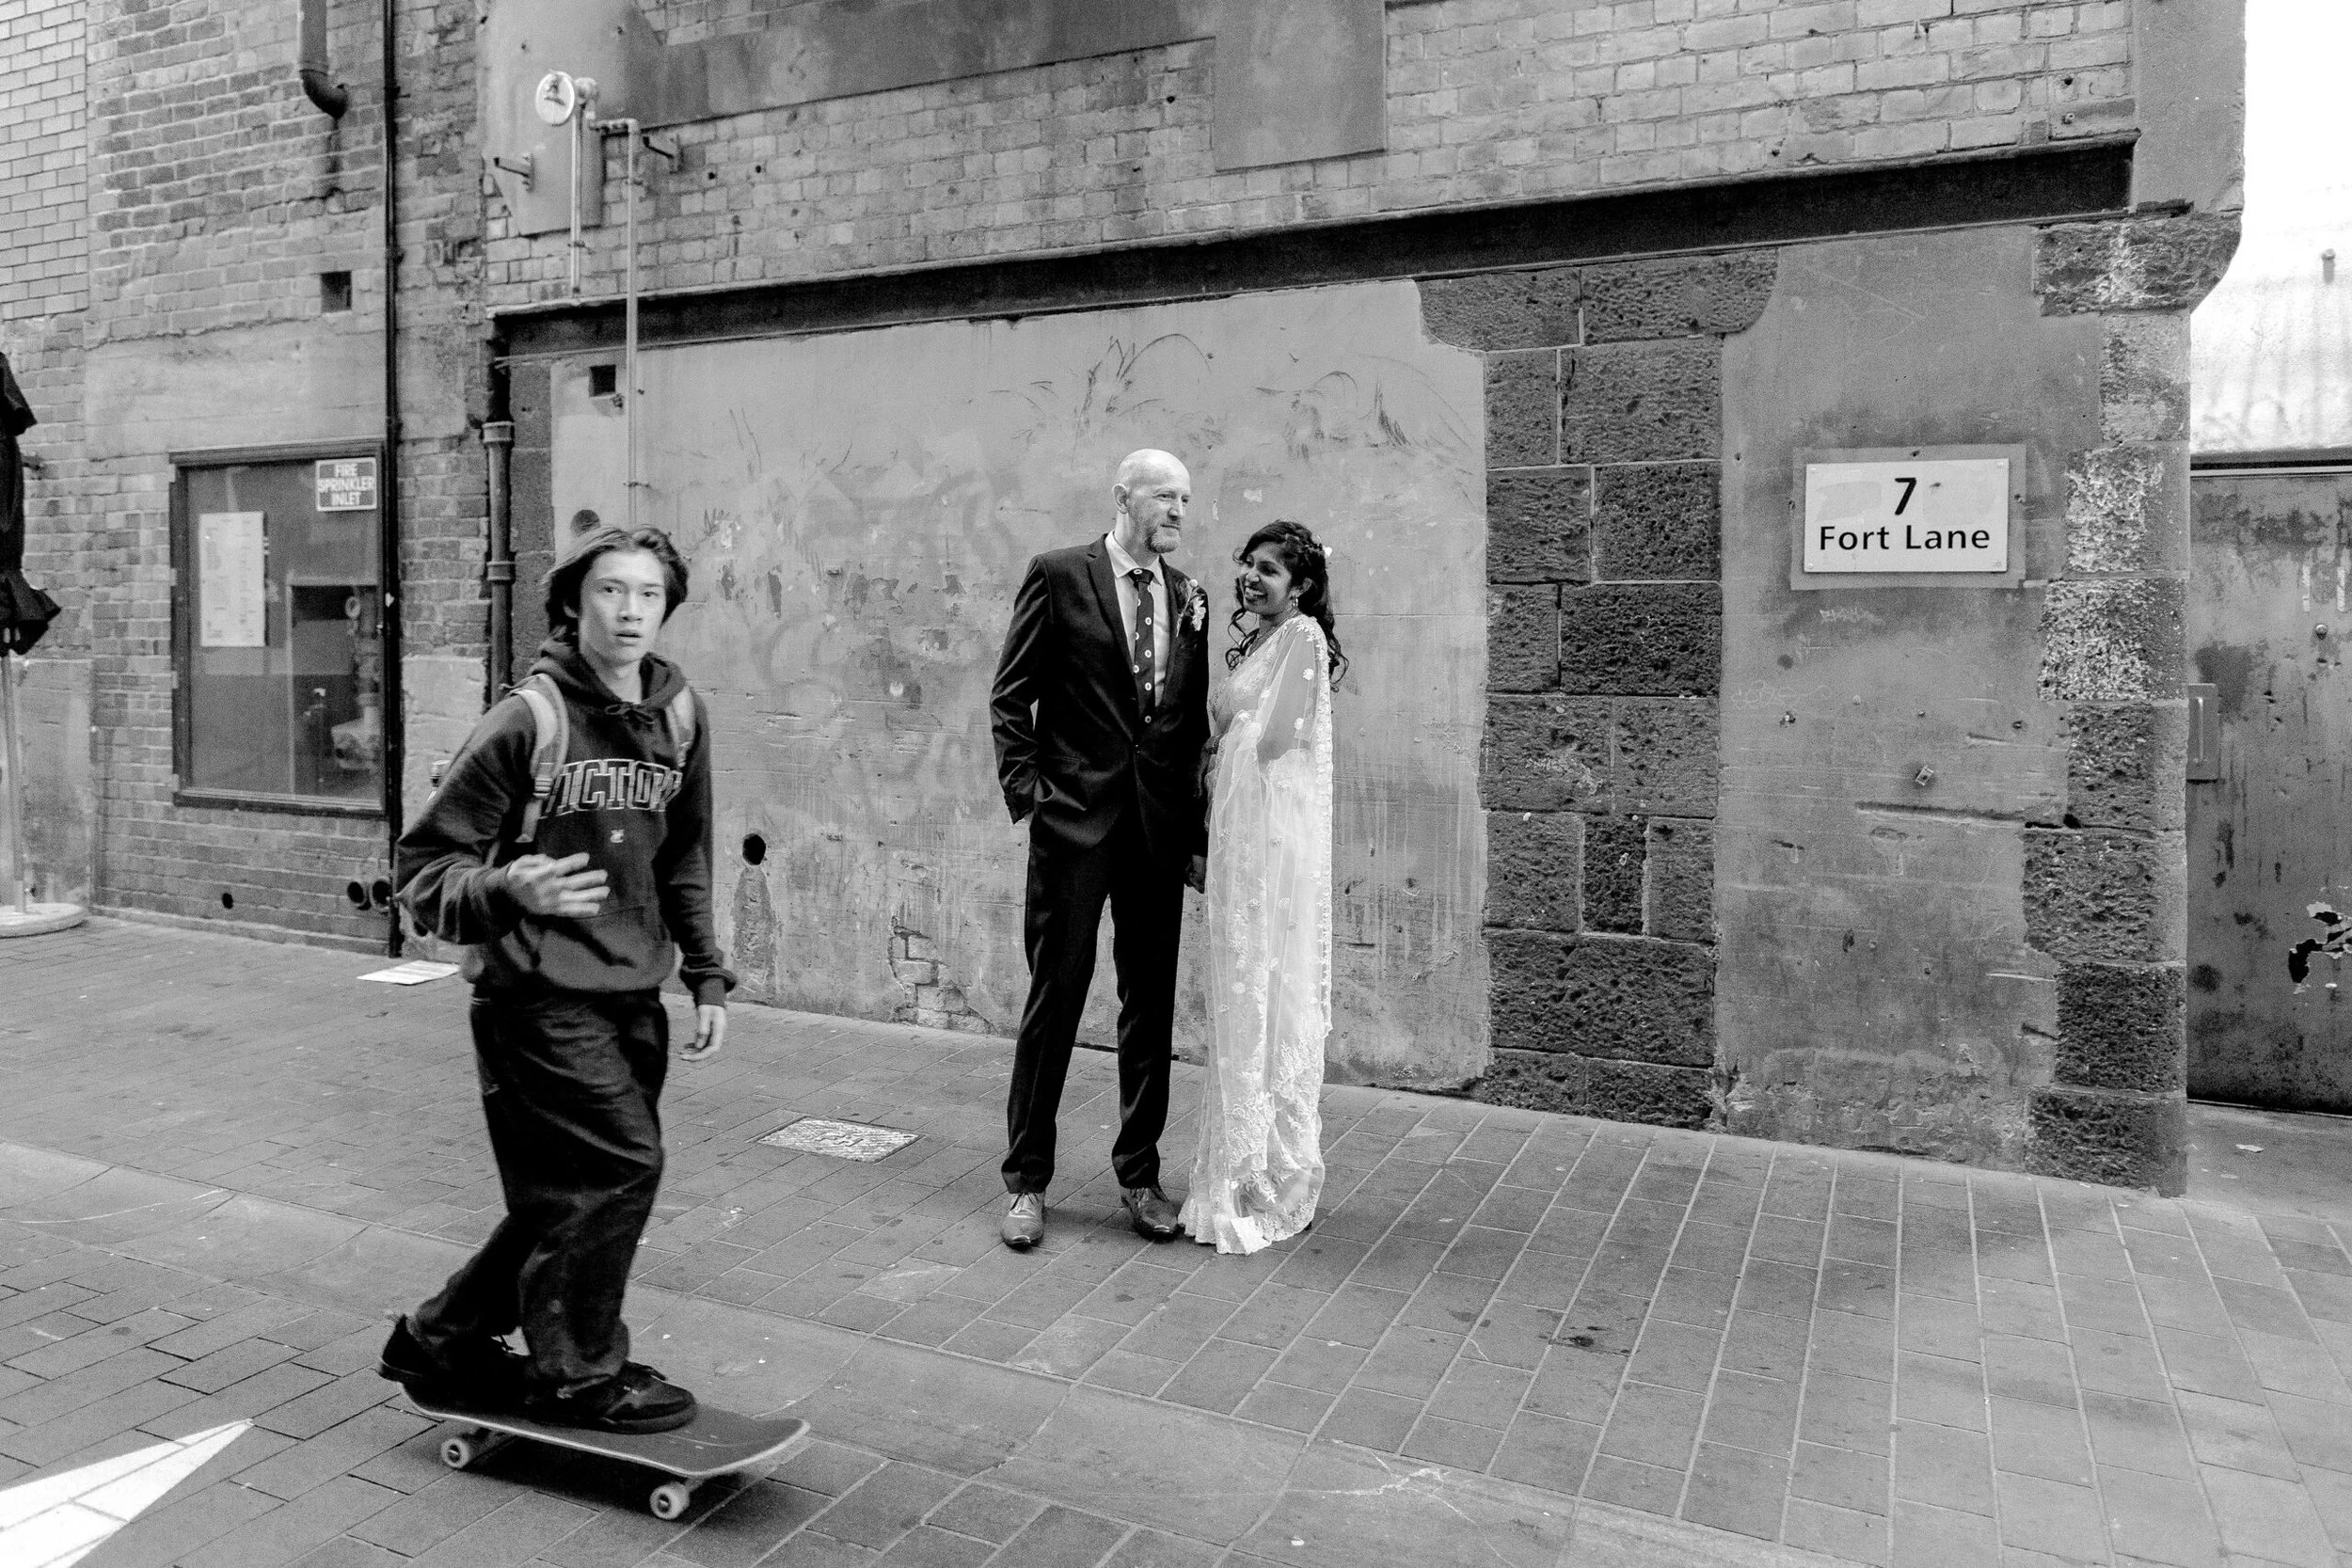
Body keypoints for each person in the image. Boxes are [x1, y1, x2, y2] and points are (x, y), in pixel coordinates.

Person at [378, 525, 733, 1433]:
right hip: (535, 998)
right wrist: (506, 883)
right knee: (622, 1167)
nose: (629, 611)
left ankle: (442, 1339)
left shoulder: (680, 715)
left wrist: (705, 973)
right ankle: (576, 1371)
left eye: (647, 595)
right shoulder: (527, 720)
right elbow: (424, 870)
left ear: (666, 608)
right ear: (575, 603)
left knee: (563, 1193)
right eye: (611, 591)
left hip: (631, 991)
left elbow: (684, 857)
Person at [989, 449, 1212, 1249]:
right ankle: (1026, 1181)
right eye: (1164, 495)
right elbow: (1011, 698)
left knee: (1148, 1009)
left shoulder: (1191, 597)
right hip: (1073, 826)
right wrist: (1034, 802)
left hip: (1154, 835)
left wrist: (1195, 838)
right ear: (1123, 497)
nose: (1179, 511)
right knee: (1056, 997)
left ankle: (1140, 1174)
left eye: (1185, 498)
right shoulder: (1058, 573)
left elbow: (1185, 727)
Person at [1181, 520, 1343, 1256]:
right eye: (1249, 565)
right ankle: (1234, 1172)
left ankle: (1264, 1176)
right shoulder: (1262, 643)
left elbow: (1279, 741)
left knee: (1265, 991)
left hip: (1266, 852)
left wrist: (1220, 747)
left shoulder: (1303, 637)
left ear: (1300, 584)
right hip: (1240, 844)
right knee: (1240, 992)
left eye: (1270, 569)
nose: (1253, 578)